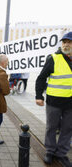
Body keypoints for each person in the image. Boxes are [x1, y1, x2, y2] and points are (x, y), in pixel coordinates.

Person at [35, 32, 72, 166]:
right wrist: (39, 96)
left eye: (69, 42)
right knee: (51, 127)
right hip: (54, 102)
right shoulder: (54, 58)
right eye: (64, 42)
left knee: (68, 129)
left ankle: (61, 154)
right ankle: (50, 152)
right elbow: (41, 78)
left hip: (70, 103)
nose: (66, 44)